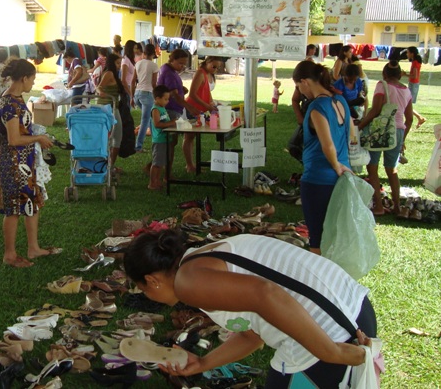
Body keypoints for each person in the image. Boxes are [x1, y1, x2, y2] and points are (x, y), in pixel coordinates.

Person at [123, 230, 376, 387]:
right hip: (355, 310)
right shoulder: (203, 258)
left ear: (152, 280)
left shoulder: (188, 281)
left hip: (328, 335)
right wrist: (202, 363)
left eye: (142, 289)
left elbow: (264, 294)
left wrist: (332, 352)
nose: (148, 296)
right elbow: (252, 336)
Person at [0, 59, 58, 268]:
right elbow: (13, 139)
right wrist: (38, 138)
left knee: (32, 202)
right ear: (24, 78)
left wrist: (36, 134)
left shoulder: (15, 99)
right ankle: (10, 255)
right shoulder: (9, 104)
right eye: (32, 78)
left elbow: (22, 129)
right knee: (13, 209)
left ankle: (34, 248)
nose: (33, 83)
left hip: (25, 162)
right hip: (13, 164)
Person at [293, 60, 351, 254]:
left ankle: (318, 272)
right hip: (342, 176)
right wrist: (342, 166)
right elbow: (350, 134)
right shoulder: (340, 100)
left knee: (317, 239)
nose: (300, 92)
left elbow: (328, 145)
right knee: (335, 235)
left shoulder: (317, 107)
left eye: (298, 86)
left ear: (305, 82)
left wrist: (336, 165)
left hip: (319, 179)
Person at [358, 62, 413, 216]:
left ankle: (379, 207)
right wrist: (402, 139)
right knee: (392, 170)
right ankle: (397, 207)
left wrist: (360, 126)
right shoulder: (407, 90)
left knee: (372, 168)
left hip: (379, 130)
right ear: (400, 75)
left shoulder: (382, 85)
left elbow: (375, 110)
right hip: (398, 131)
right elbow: (409, 119)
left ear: (384, 74)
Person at [156, 49, 198, 170]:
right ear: (172, 59)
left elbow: (170, 90)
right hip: (170, 110)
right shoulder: (168, 72)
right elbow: (174, 95)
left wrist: (181, 89)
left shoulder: (169, 70)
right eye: (180, 63)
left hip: (174, 109)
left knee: (171, 142)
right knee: (170, 143)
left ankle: (163, 169)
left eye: (184, 64)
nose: (182, 66)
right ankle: (166, 173)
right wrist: (189, 107)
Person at [183, 57, 221, 172]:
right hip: (192, 108)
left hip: (202, 109)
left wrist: (213, 103)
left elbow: (207, 92)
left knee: (193, 136)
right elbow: (193, 94)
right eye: (214, 66)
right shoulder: (200, 73)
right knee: (189, 137)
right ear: (208, 62)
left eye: (218, 68)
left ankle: (192, 164)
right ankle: (189, 165)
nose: (215, 69)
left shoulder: (209, 74)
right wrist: (208, 106)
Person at [97, 53, 124, 173]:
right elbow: (98, 87)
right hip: (108, 108)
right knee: (117, 137)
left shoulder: (112, 73)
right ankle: (109, 166)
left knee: (112, 137)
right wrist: (100, 92)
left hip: (111, 107)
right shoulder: (109, 73)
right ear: (111, 63)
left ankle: (108, 165)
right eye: (117, 63)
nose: (119, 65)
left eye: (120, 63)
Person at [148, 85, 177, 190]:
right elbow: (157, 124)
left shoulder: (162, 108)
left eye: (168, 99)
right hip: (159, 140)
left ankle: (157, 180)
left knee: (161, 163)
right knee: (156, 163)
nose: (167, 101)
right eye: (165, 99)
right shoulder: (155, 109)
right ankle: (152, 183)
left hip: (165, 139)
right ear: (157, 98)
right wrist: (171, 123)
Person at [133, 43, 159, 153]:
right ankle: (138, 146)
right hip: (147, 94)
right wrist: (157, 95)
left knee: (150, 118)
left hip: (137, 93)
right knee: (145, 120)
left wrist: (132, 96)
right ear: (153, 54)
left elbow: (133, 81)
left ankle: (156, 139)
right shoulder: (154, 65)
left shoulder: (138, 63)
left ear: (144, 53)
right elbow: (154, 83)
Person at [401, 47, 426, 129]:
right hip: (413, 84)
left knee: (406, 105)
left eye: (408, 52)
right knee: (406, 104)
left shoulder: (415, 62)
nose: (407, 54)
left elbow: (414, 76)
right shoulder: (416, 61)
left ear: (412, 53)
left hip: (413, 84)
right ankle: (419, 118)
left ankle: (419, 118)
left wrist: (404, 74)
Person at [121, 40, 137, 108]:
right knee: (126, 110)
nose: (136, 50)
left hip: (130, 86)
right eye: (135, 48)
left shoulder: (130, 60)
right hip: (126, 87)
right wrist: (130, 94)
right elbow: (123, 80)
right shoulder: (126, 60)